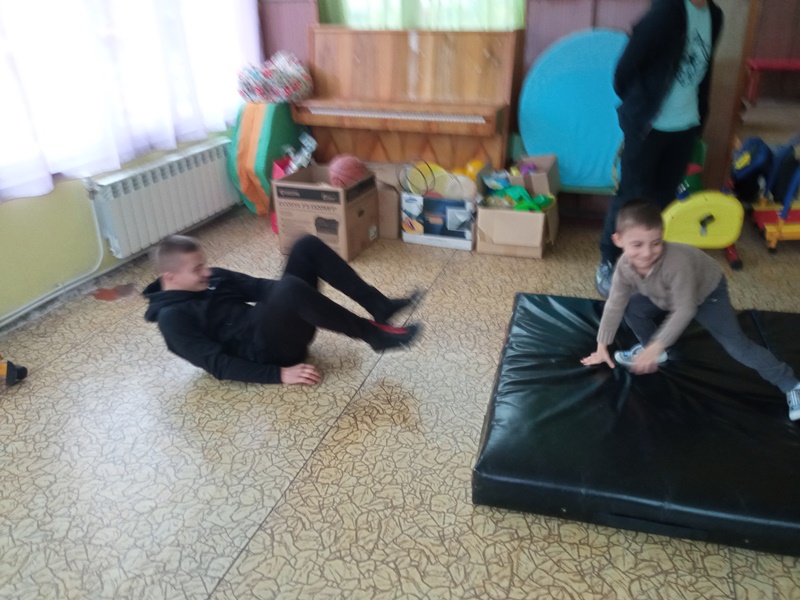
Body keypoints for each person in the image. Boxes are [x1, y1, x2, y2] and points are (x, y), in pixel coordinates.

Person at [582, 200, 800, 421]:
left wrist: (657, 345)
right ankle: (653, 348)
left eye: (656, 243)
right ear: (618, 240)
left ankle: (791, 384)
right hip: (666, 292)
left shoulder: (676, 263)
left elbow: (685, 309)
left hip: (707, 293)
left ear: (662, 236)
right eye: (637, 245)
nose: (647, 253)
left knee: (737, 346)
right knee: (632, 308)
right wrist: (601, 347)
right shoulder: (624, 266)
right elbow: (614, 303)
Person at [144, 234, 422, 386]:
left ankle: (380, 306)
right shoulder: (172, 319)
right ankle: (374, 335)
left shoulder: (211, 278)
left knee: (306, 247)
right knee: (288, 289)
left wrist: (300, 300)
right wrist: (279, 375)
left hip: (270, 326)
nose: (207, 271)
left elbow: (260, 287)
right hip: (269, 354)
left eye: (203, 264)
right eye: (197, 269)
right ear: (170, 277)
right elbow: (219, 365)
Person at [596, 0, 724, 297]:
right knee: (632, 198)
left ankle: (645, 263)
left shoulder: (715, 16)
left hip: (686, 126)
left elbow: (705, 70)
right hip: (648, 127)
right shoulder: (667, 12)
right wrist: (641, 106)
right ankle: (609, 261)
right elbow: (625, 69)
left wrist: (699, 119)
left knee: (663, 198)